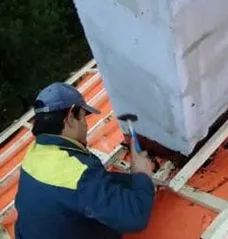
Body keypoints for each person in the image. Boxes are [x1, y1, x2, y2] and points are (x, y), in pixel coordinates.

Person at [14, 82, 156, 239]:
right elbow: (135, 217)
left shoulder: (34, 153)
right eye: (82, 116)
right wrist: (142, 175)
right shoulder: (78, 172)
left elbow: (82, 189)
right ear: (69, 118)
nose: (85, 124)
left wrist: (129, 182)